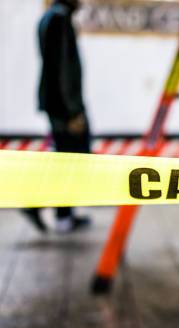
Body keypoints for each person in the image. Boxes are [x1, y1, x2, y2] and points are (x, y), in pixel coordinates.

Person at [22, 0, 91, 233]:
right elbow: (62, 69)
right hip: (64, 106)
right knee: (73, 160)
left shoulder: (51, 18)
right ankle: (50, 209)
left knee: (67, 160)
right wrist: (73, 112)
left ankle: (62, 214)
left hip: (58, 103)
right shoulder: (59, 20)